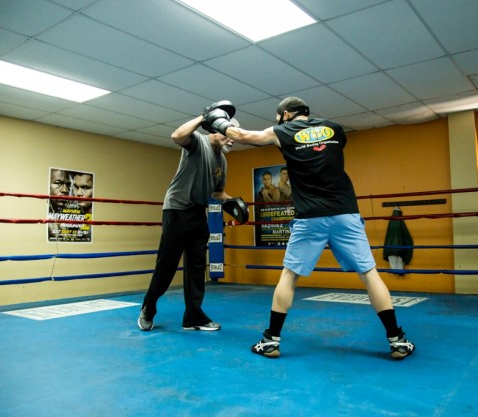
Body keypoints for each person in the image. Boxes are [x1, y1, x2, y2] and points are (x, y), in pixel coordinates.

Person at [211, 97, 415, 359]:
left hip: (310, 217)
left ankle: (270, 341)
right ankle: (397, 340)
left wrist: (217, 121)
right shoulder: (335, 129)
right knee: (369, 274)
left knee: (289, 276)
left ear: (286, 115)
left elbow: (244, 136)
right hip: (345, 213)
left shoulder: (283, 131)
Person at [137, 104, 238, 332]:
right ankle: (148, 309)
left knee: (196, 267)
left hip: (197, 213)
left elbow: (218, 192)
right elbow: (177, 136)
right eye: (228, 132)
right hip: (176, 210)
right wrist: (204, 117)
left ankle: (193, 317)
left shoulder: (222, 161)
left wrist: (234, 203)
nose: (232, 139)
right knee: (166, 267)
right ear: (215, 129)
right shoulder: (198, 141)